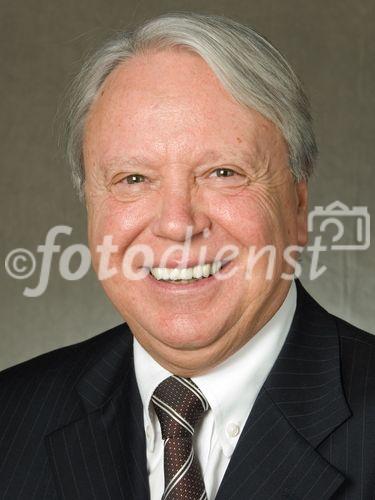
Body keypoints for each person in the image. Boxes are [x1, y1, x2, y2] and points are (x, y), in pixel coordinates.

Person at [0, 12, 374, 500]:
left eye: (223, 172)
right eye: (134, 179)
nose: (177, 223)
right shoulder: (10, 418)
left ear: (298, 206)